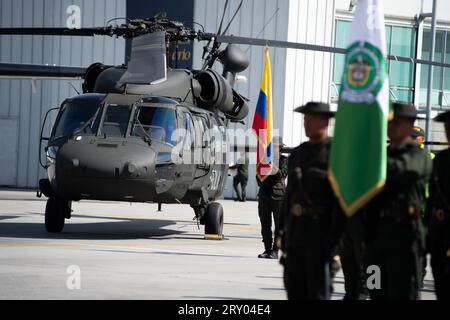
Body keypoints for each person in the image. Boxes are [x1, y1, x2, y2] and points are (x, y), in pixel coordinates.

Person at [365, 102, 432, 300]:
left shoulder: (419, 156)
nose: (391, 126)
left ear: (411, 124)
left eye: (397, 122)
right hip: (375, 239)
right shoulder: (381, 155)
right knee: (374, 290)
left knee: (402, 294)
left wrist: (371, 163)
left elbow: (402, 171)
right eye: (389, 122)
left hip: (405, 239)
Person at [280, 101, 345, 300]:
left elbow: (341, 203)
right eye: (304, 118)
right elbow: (289, 197)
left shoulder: (337, 154)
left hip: (321, 234)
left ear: (325, 121)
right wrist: (281, 232)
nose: (306, 122)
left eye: (311, 118)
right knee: (295, 292)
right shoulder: (298, 154)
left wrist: (334, 245)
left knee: (317, 294)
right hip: (297, 233)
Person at [426, 110, 450, 300]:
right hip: (441, 234)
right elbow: (433, 197)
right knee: (442, 285)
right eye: (447, 128)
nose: (448, 132)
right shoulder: (441, 160)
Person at [257, 137, 288, 259]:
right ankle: (267, 249)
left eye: (276, 146)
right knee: (265, 224)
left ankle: (275, 250)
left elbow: (283, 174)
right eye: (272, 146)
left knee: (279, 225)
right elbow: (258, 176)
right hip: (265, 194)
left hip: (278, 195)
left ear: (280, 148)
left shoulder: (284, 159)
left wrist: (272, 167)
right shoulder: (265, 159)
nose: (274, 148)